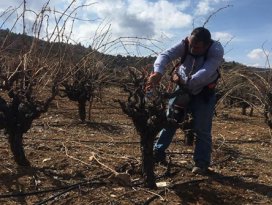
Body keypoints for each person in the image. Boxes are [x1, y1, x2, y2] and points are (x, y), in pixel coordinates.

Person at [147, 27, 224, 174]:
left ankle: (201, 163)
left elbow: (206, 72)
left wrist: (184, 81)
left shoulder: (216, 50)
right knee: (170, 121)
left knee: (202, 128)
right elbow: (165, 55)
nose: (192, 49)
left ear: (207, 45)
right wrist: (158, 72)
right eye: (191, 45)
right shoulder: (185, 44)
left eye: (197, 47)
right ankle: (158, 153)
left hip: (204, 91)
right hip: (181, 88)